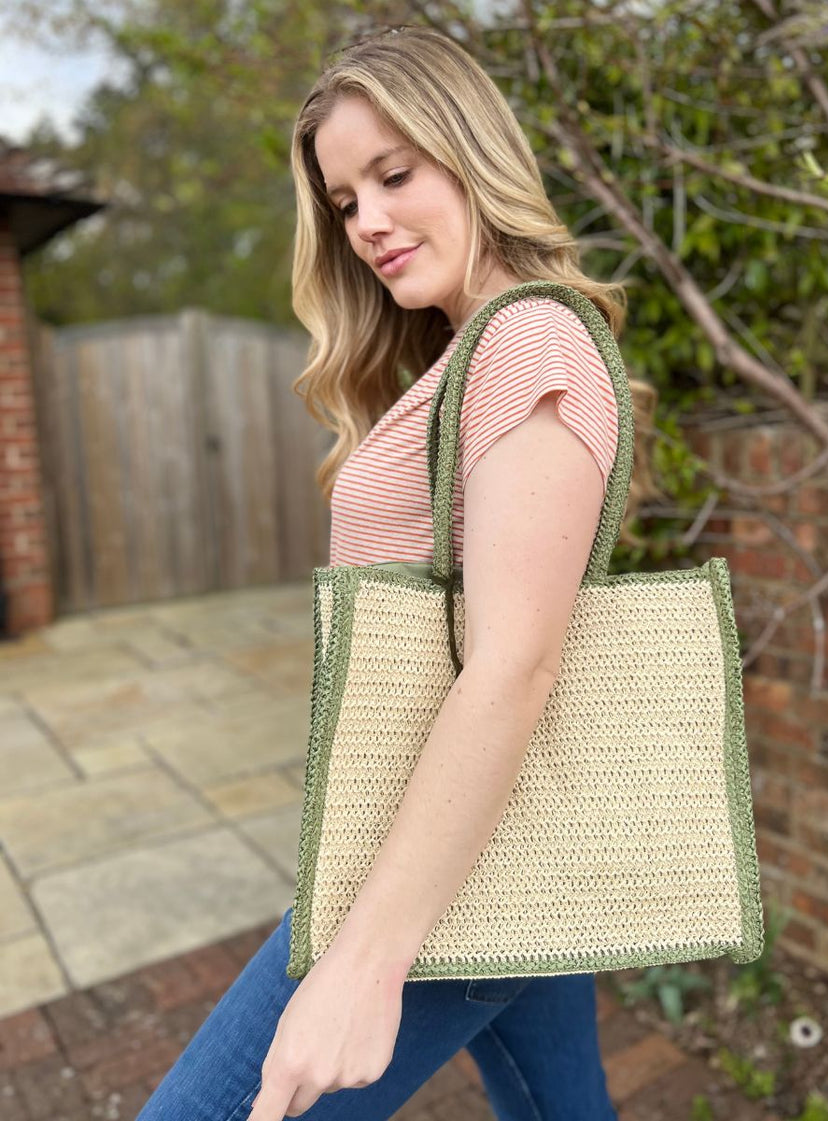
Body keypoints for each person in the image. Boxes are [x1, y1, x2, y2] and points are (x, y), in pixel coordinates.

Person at [137, 24, 627, 1121]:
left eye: (394, 175)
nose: (366, 223)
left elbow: (513, 665)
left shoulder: (528, 341)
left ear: (474, 150)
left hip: (438, 866)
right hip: (500, 836)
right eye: (346, 200)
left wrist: (364, 959)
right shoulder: (470, 350)